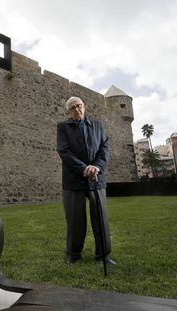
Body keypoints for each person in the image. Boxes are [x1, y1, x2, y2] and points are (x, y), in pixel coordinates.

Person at [56, 96, 116, 265]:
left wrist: (96, 166)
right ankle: (73, 255)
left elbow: (104, 147)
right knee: (75, 220)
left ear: (84, 107)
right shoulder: (63, 127)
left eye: (79, 105)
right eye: (73, 107)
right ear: (69, 111)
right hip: (73, 179)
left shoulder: (96, 125)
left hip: (96, 177)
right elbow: (63, 151)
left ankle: (103, 256)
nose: (77, 109)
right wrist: (84, 168)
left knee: (101, 218)